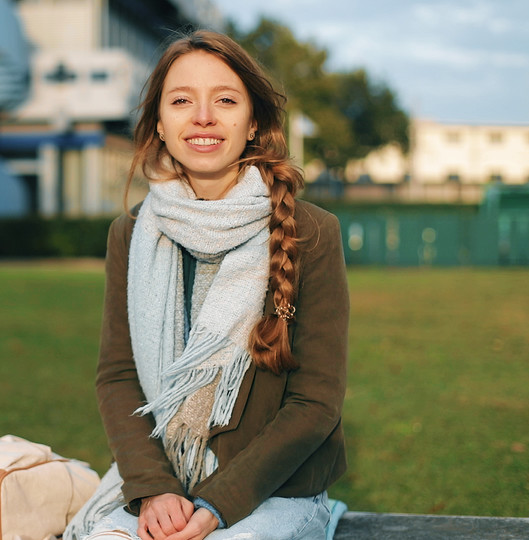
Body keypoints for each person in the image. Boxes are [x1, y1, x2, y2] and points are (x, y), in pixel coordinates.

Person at [64, 30, 349, 540]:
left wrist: (216, 505)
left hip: (273, 492)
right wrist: (154, 490)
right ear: (159, 123)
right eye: (181, 101)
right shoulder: (129, 235)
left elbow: (315, 404)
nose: (203, 117)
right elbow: (118, 376)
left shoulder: (312, 232)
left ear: (254, 121)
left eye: (224, 100)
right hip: (163, 485)